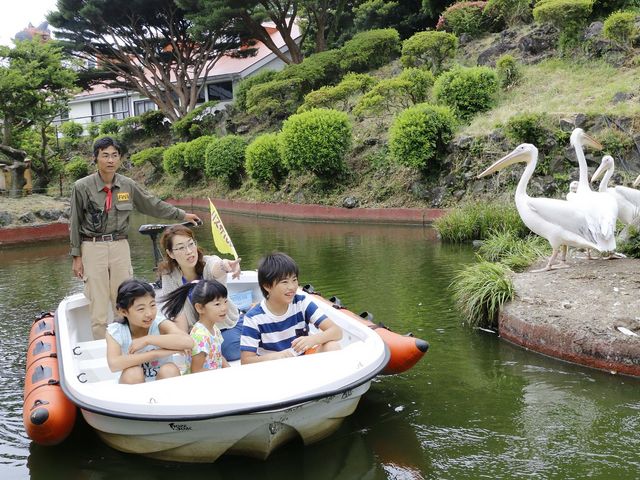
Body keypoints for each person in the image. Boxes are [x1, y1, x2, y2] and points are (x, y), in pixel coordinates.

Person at [69, 136, 201, 340]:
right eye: (105, 155)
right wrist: (76, 256)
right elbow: (75, 222)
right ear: (95, 158)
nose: (110, 160)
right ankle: (104, 351)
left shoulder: (127, 185)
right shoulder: (81, 187)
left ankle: (130, 344)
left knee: (126, 298)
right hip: (92, 246)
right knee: (98, 303)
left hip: (120, 245)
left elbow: (153, 204)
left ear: (120, 159)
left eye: (115, 155)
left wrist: (182, 215)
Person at [158, 224, 243, 360]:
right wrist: (183, 339)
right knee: (192, 350)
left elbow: (217, 267)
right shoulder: (169, 275)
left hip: (223, 325)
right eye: (181, 247)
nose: (189, 251)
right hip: (196, 331)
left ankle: (250, 325)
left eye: (191, 244)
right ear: (170, 253)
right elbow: (177, 312)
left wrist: (225, 266)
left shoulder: (208, 263)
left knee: (229, 351)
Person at [240, 252, 342, 364]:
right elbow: (246, 361)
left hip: (303, 360)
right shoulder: (253, 318)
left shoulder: (301, 303)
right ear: (267, 286)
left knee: (333, 346)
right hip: (273, 368)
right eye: (284, 282)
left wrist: (313, 339)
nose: (292, 287)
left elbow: (337, 331)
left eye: (294, 280)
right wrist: (278, 356)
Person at [106, 279, 193, 384]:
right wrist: (156, 353)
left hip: (162, 379)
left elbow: (188, 342)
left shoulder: (159, 323)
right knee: (133, 372)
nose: (149, 314)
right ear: (123, 311)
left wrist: (148, 340)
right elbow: (114, 364)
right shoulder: (116, 331)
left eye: (152, 305)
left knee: (170, 369)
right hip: (132, 382)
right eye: (141, 309)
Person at [161, 279, 231, 373]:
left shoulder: (214, 329)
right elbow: (196, 370)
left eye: (225, 301)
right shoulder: (201, 336)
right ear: (200, 308)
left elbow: (218, 354)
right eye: (217, 304)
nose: (224, 308)